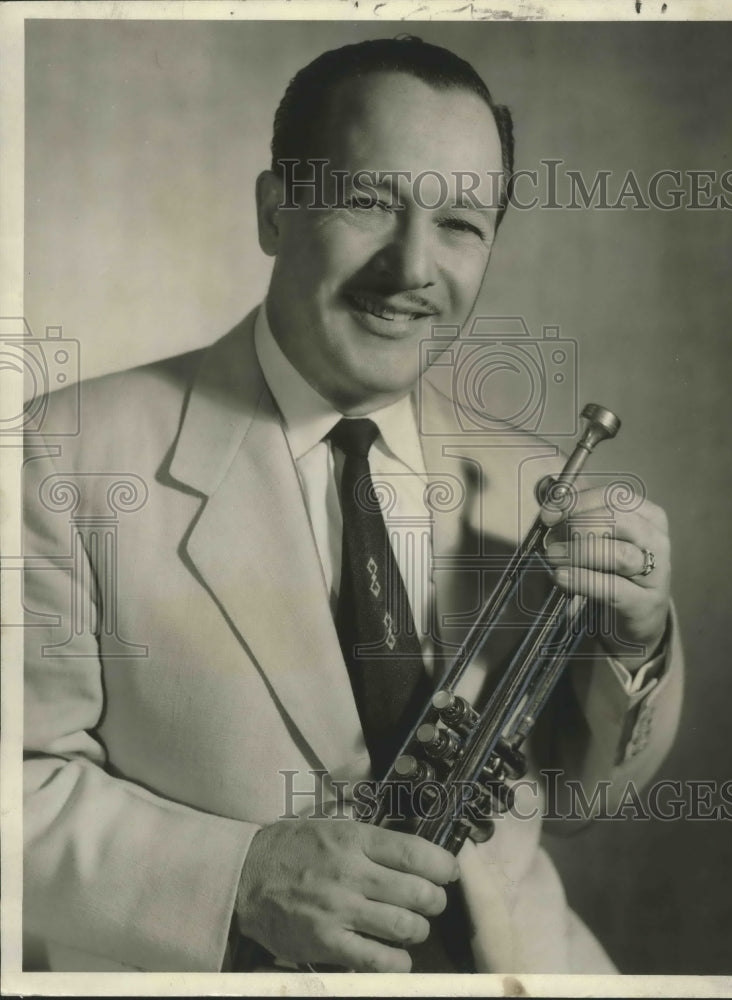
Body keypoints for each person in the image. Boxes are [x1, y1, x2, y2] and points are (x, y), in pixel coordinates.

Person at [23, 36, 683, 974]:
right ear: (273, 209)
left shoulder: (529, 474)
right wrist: (239, 878)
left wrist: (634, 645)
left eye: (460, 223)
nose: (411, 266)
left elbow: (580, 804)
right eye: (369, 201)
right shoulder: (62, 456)